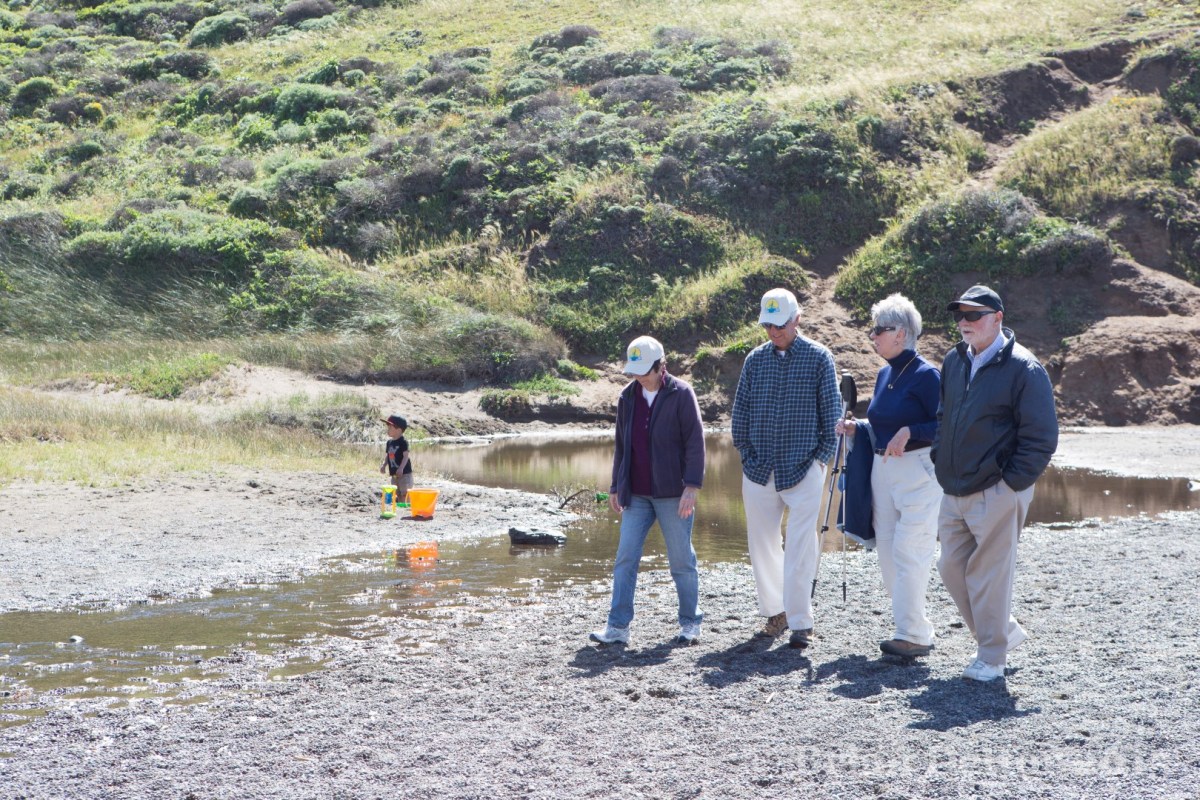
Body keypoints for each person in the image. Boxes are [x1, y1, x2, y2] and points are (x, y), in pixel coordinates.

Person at [933, 285, 1058, 682]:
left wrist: (1009, 486)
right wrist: (939, 457)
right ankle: (1003, 630)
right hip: (953, 487)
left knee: (988, 575)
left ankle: (991, 658)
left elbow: (1041, 438)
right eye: (960, 315)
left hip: (998, 490)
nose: (964, 322)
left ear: (998, 318)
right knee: (951, 567)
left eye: (974, 315)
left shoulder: (1024, 368)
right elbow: (943, 416)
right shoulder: (954, 360)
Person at [731, 288, 840, 649]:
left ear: (797, 320)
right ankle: (775, 612)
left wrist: (820, 459)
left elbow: (832, 413)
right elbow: (740, 412)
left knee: (800, 545)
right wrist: (746, 453)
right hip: (759, 468)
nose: (773, 331)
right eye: (768, 325)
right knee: (762, 544)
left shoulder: (819, 358)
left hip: (803, 467)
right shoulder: (754, 360)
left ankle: (800, 621)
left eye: (779, 324)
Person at [836, 294, 943, 658]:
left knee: (910, 550)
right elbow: (882, 423)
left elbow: (946, 426)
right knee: (886, 551)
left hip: (919, 472)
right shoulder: (884, 374)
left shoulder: (928, 375)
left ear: (900, 333)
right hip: (883, 471)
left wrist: (913, 431)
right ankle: (911, 627)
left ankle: (913, 634)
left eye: (878, 330)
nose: (872, 336)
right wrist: (858, 428)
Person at [590, 335, 706, 647]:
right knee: (625, 558)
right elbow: (621, 445)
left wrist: (691, 487)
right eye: (634, 371)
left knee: (681, 560)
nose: (639, 377)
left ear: (660, 366)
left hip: (674, 494)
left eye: (644, 371)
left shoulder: (682, 394)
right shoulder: (627, 397)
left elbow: (695, 443)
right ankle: (617, 627)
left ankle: (690, 623)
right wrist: (616, 486)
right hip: (637, 495)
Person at [380, 414, 413, 503]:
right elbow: (388, 455)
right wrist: (384, 465)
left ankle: (407, 506)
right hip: (394, 474)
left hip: (404, 474)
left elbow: (406, 456)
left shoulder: (403, 442)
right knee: (397, 492)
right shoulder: (389, 442)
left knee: (405, 493)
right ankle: (400, 506)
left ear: (398, 430)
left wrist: (401, 468)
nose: (388, 429)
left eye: (390, 427)